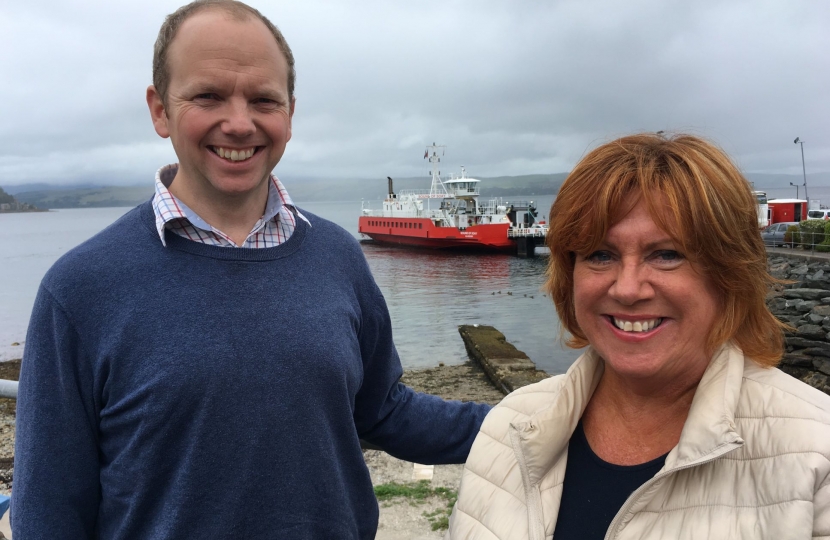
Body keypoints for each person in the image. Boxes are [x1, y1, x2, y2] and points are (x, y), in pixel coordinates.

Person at [11, 1, 490, 538]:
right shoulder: (79, 289)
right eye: (208, 96)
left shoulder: (337, 257)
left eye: (264, 100)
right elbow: (48, 511)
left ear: (289, 113)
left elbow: (383, 411)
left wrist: (531, 423)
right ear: (160, 109)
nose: (239, 124)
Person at [446, 133, 830, 539]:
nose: (628, 289)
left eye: (666, 254)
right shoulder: (509, 425)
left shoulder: (815, 457)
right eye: (600, 254)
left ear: (730, 274)